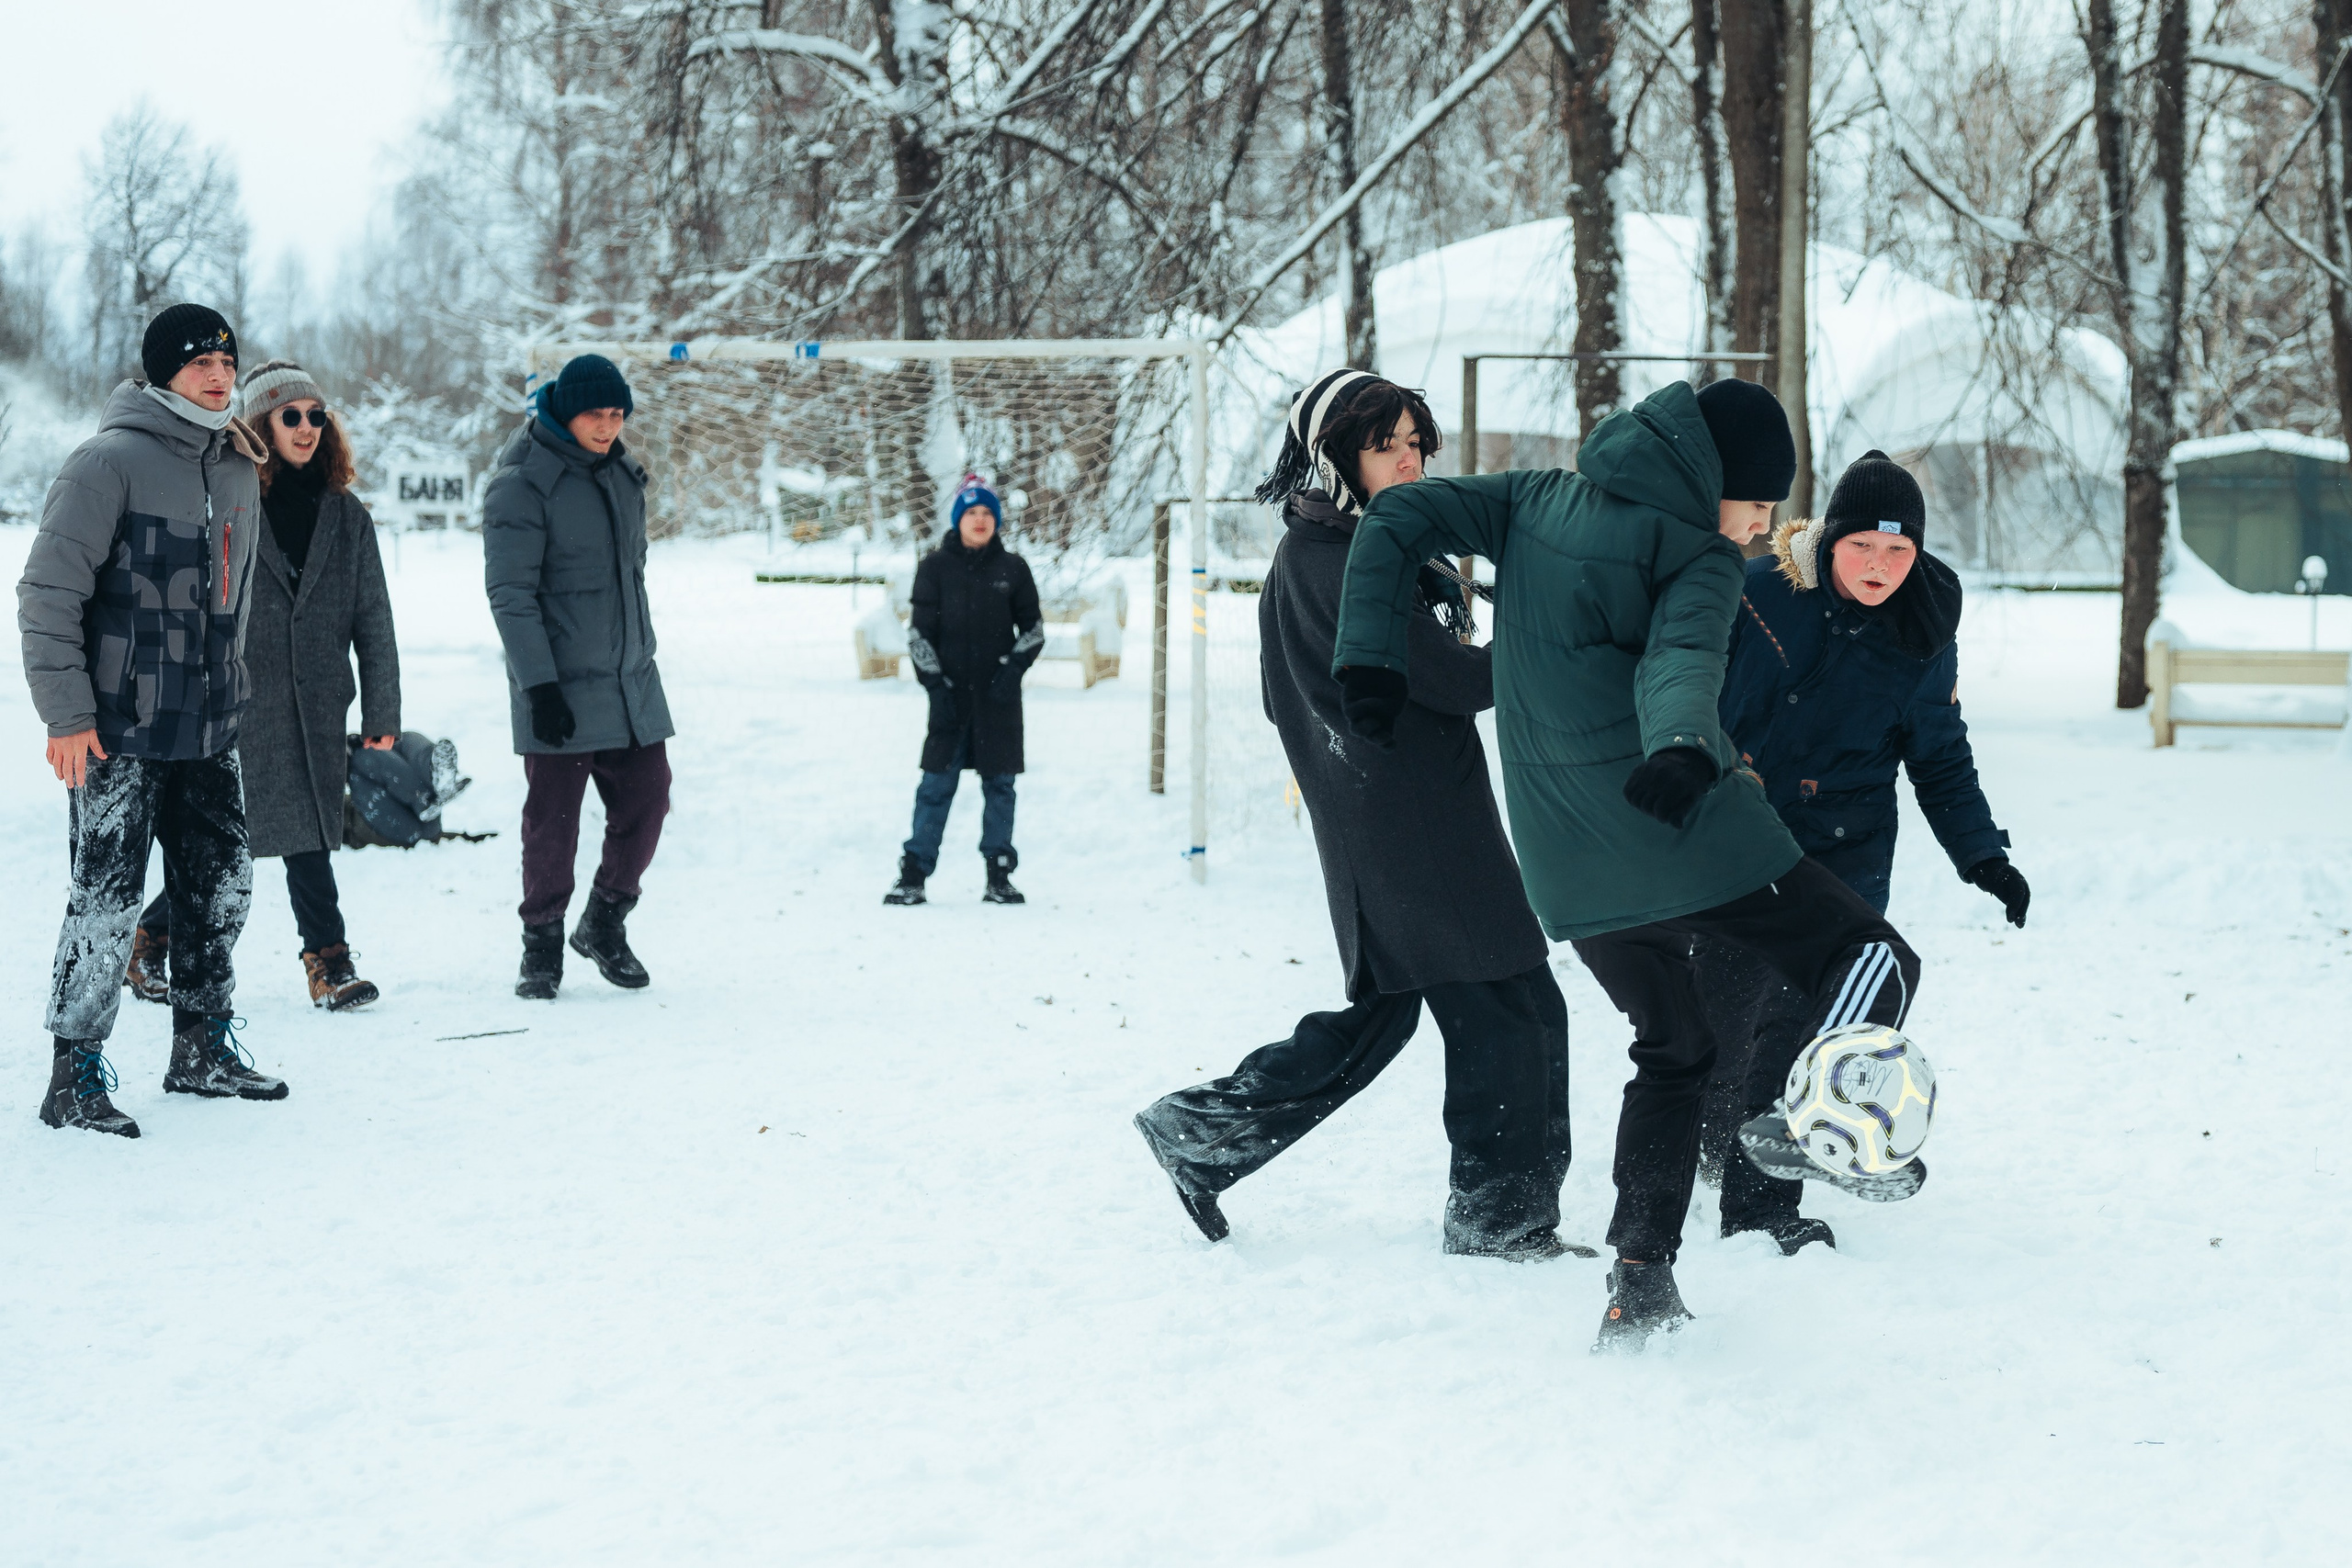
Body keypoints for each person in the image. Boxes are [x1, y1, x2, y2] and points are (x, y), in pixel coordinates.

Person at [1329, 377, 1925, 1350]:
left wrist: (1368, 661)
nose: (1760, 525)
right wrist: (1686, 749)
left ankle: (1639, 1276)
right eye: (1760, 503)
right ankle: (1806, 1119)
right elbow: (1679, 663)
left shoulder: (1529, 498)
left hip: (1567, 868)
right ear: (1716, 480)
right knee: (1874, 959)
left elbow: (1393, 516)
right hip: (1682, 826)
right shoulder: (1700, 557)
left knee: (1675, 1046)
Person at [1132, 370, 1578, 1261]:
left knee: (1389, 1020)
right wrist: (1553, 628)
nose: (1410, 460)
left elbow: (1288, 695)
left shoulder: (1336, 547)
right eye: (1387, 446)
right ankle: (1499, 1220)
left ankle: (1200, 1131)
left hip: (1389, 821)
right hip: (1416, 829)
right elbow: (1454, 681)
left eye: (1417, 443)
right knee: (1514, 1013)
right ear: (1333, 454)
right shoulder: (1341, 561)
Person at [1694, 451, 2025, 1254]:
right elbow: (1684, 689)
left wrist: (1982, 854)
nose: (1880, 567)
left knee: (1807, 1008)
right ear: (1831, 540)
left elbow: (1939, 753)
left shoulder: (1924, 628)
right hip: (1740, 829)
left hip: (1846, 845)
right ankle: (1717, 1147)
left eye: (1898, 551)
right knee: (1721, 1017)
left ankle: (1767, 1196)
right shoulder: (1759, 593)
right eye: (1863, 548)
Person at [19, 302, 288, 1138]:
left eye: (227, 360)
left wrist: (234, 693)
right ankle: (73, 1073)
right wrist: (65, 715)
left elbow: (235, 605)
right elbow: (47, 595)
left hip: (208, 726)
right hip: (116, 728)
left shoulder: (240, 468)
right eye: (200, 361)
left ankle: (201, 1046)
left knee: (223, 885)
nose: (218, 374)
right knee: (106, 897)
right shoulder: (107, 462)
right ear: (164, 370)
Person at [123, 360, 401, 1012]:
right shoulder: (230, 497)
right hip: (240, 699)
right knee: (229, 840)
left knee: (305, 832)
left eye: (316, 416)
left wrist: (383, 706)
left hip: (319, 704)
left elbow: (376, 620)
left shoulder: (348, 516)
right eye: (291, 416)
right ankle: (152, 937)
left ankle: (328, 962)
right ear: (261, 424)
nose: (306, 428)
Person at [482, 353, 674, 999]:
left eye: (618, 414)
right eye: (597, 413)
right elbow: (511, 592)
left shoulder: (623, 475)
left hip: (629, 680)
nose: (608, 424)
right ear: (565, 410)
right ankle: (541, 944)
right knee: (553, 821)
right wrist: (538, 685)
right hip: (557, 685)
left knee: (649, 798)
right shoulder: (522, 483)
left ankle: (604, 921)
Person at [884, 476, 1042, 906]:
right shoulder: (935, 567)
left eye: (988, 513)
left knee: (1000, 787)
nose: (980, 520)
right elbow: (919, 635)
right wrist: (936, 685)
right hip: (950, 698)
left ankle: (999, 875)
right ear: (958, 519)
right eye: (972, 512)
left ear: (997, 520)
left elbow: (1033, 630)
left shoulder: (1014, 568)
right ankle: (913, 874)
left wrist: (1011, 672)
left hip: (999, 700)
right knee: (935, 785)